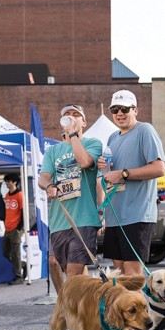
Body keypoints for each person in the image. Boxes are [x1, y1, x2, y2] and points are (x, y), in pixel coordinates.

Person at [97, 90, 165, 275]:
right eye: (115, 109)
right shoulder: (112, 137)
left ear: (135, 110)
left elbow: (159, 168)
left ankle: (139, 305)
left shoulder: (145, 130)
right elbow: (111, 174)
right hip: (114, 217)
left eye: (125, 109)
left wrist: (123, 173)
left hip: (137, 215)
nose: (119, 113)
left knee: (132, 274)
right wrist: (104, 167)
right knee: (118, 274)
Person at [39, 104, 103, 295]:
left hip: (83, 220)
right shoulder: (53, 150)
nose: (71, 117)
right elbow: (44, 177)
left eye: (76, 115)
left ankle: (71, 316)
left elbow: (84, 162)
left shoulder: (93, 143)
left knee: (74, 273)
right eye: (67, 114)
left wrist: (73, 134)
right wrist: (49, 186)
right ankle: (72, 307)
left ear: (84, 122)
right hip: (60, 220)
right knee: (64, 269)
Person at [2, 173, 25, 284]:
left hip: (16, 228)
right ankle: (23, 264)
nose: (7, 183)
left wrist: (19, 227)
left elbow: (24, 211)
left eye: (8, 181)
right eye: (6, 181)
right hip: (8, 227)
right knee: (6, 252)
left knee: (15, 252)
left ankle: (19, 276)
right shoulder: (7, 195)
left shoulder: (20, 195)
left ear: (14, 182)